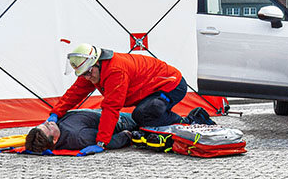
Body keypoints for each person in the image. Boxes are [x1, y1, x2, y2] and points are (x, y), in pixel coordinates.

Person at [44, 43, 214, 155]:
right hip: (150, 90)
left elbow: (111, 107)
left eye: (89, 73)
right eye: (83, 75)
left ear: (97, 63)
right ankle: (170, 117)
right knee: (145, 118)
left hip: (172, 85)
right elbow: (74, 93)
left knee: (143, 115)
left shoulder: (115, 71)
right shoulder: (92, 70)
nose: (87, 78)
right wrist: (55, 114)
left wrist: (102, 141)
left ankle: (191, 119)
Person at [24, 109, 137, 153]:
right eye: (48, 127)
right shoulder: (79, 137)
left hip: (100, 112)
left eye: (44, 124)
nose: (48, 122)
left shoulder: (55, 131)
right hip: (121, 120)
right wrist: (126, 136)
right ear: (54, 140)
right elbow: (106, 140)